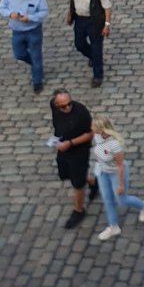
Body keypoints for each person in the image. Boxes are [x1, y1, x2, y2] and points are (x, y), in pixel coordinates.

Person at [90, 113, 144, 242]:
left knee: (122, 199)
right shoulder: (97, 136)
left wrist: (120, 184)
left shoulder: (114, 145)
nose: (92, 129)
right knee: (107, 200)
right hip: (102, 172)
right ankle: (113, 226)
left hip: (115, 172)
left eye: (94, 127)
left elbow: (120, 166)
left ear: (102, 129)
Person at [50, 87, 96, 229]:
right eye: (63, 106)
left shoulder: (81, 113)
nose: (68, 107)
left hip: (78, 152)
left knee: (77, 184)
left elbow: (90, 134)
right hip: (63, 148)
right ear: (56, 104)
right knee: (66, 174)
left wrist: (70, 143)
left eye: (69, 103)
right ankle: (93, 182)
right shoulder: (53, 105)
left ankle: (78, 210)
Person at [0, 0, 49, 93]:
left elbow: (44, 12)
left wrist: (30, 17)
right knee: (19, 53)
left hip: (33, 30)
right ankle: (37, 67)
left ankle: (37, 81)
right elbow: (2, 7)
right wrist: (10, 14)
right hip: (17, 31)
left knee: (36, 56)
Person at [66, 0, 111, 88]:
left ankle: (98, 75)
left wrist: (106, 25)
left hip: (95, 21)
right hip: (80, 20)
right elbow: (71, 1)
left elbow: (107, 8)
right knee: (79, 44)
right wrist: (69, 14)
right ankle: (93, 57)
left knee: (97, 48)